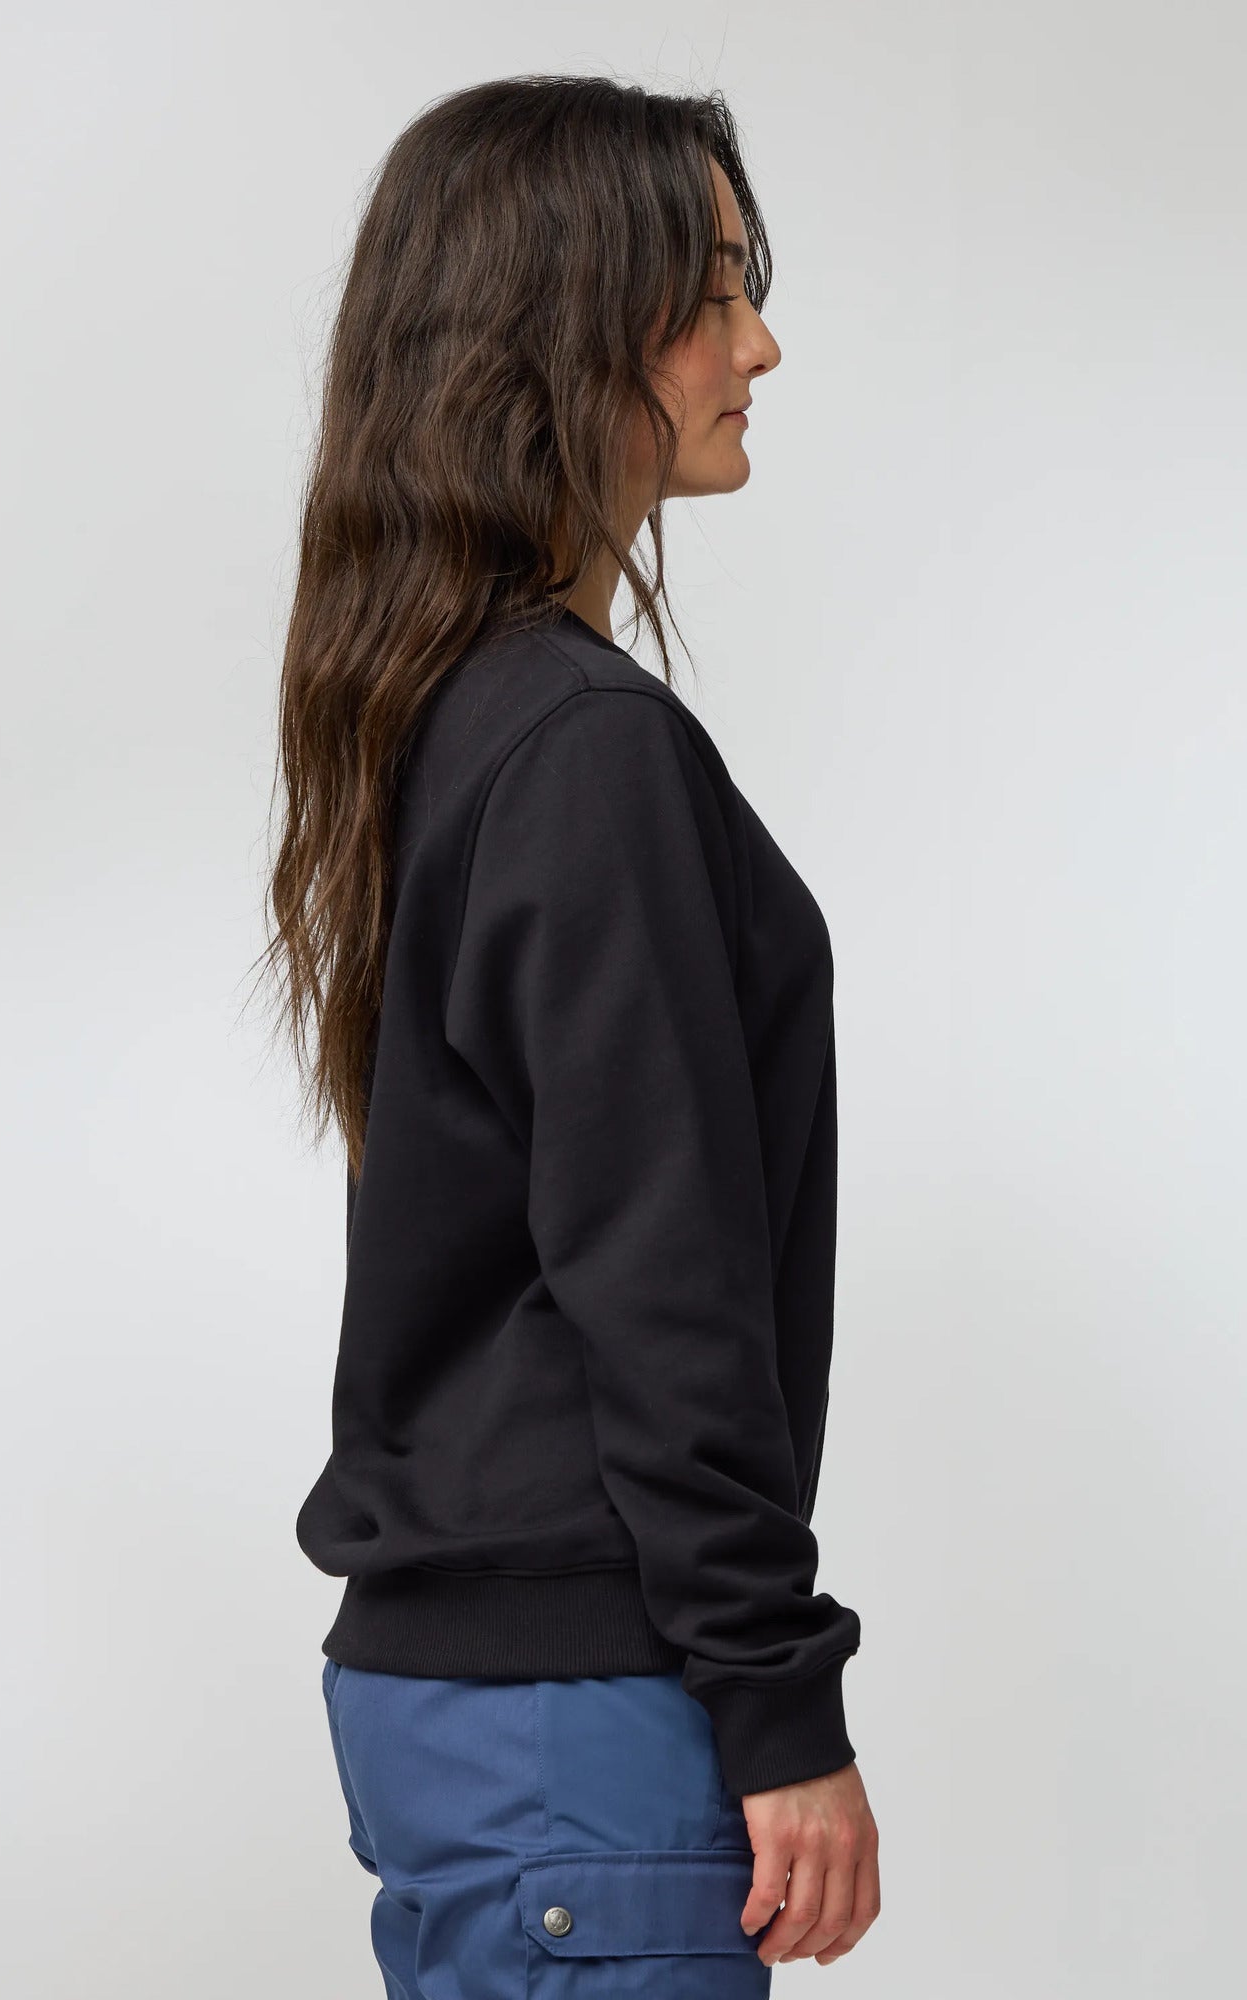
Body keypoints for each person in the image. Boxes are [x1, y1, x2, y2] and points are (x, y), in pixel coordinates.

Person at [259, 73, 881, 1993]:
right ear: (564, 329)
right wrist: (777, 1694)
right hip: (578, 1724)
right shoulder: (579, 746)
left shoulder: (443, 710)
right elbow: (652, 1263)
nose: (758, 346)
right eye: (712, 292)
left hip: (489, 1710)